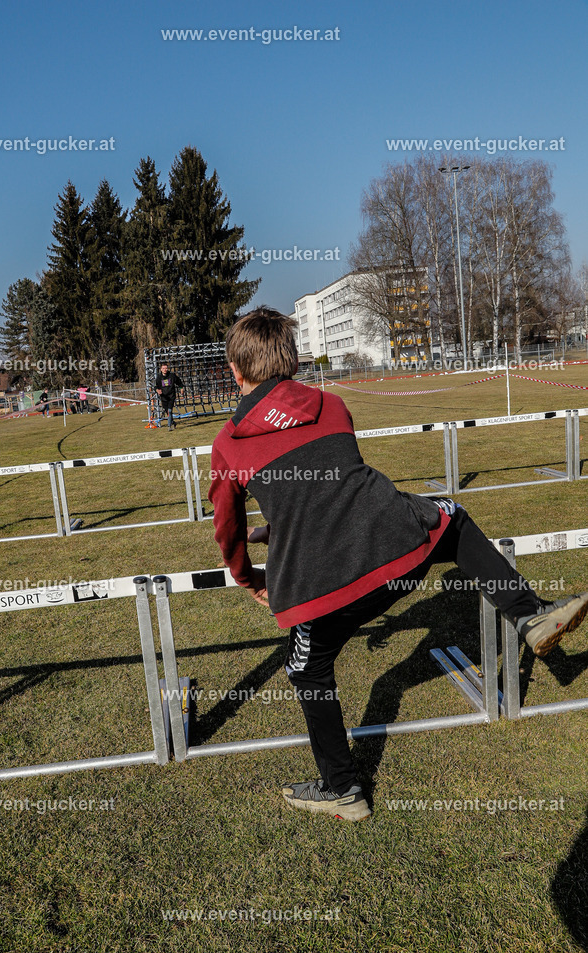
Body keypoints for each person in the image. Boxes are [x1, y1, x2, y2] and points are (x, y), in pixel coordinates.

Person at [208, 307, 588, 823]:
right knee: (453, 519)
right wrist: (281, 523)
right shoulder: (332, 404)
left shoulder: (228, 443)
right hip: (399, 549)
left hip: (320, 584)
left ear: (236, 371)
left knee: (307, 668)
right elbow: (331, 489)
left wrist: (249, 575)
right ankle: (528, 613)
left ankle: (342, 789)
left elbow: (228, 528)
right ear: (292, 362)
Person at [155, 363, 184, 431]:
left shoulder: (172, 375)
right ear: (161, 369)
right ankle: (173, 422)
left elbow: (178, 381)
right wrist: (157, 390)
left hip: (171, 396)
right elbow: (156, 386)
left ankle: (169, 426)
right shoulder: (159, 377)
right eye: (163, 368)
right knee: (167, 412)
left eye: (166, 368)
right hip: (164, 397)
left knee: (170, 411)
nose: (165, 370)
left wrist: (181, 388)